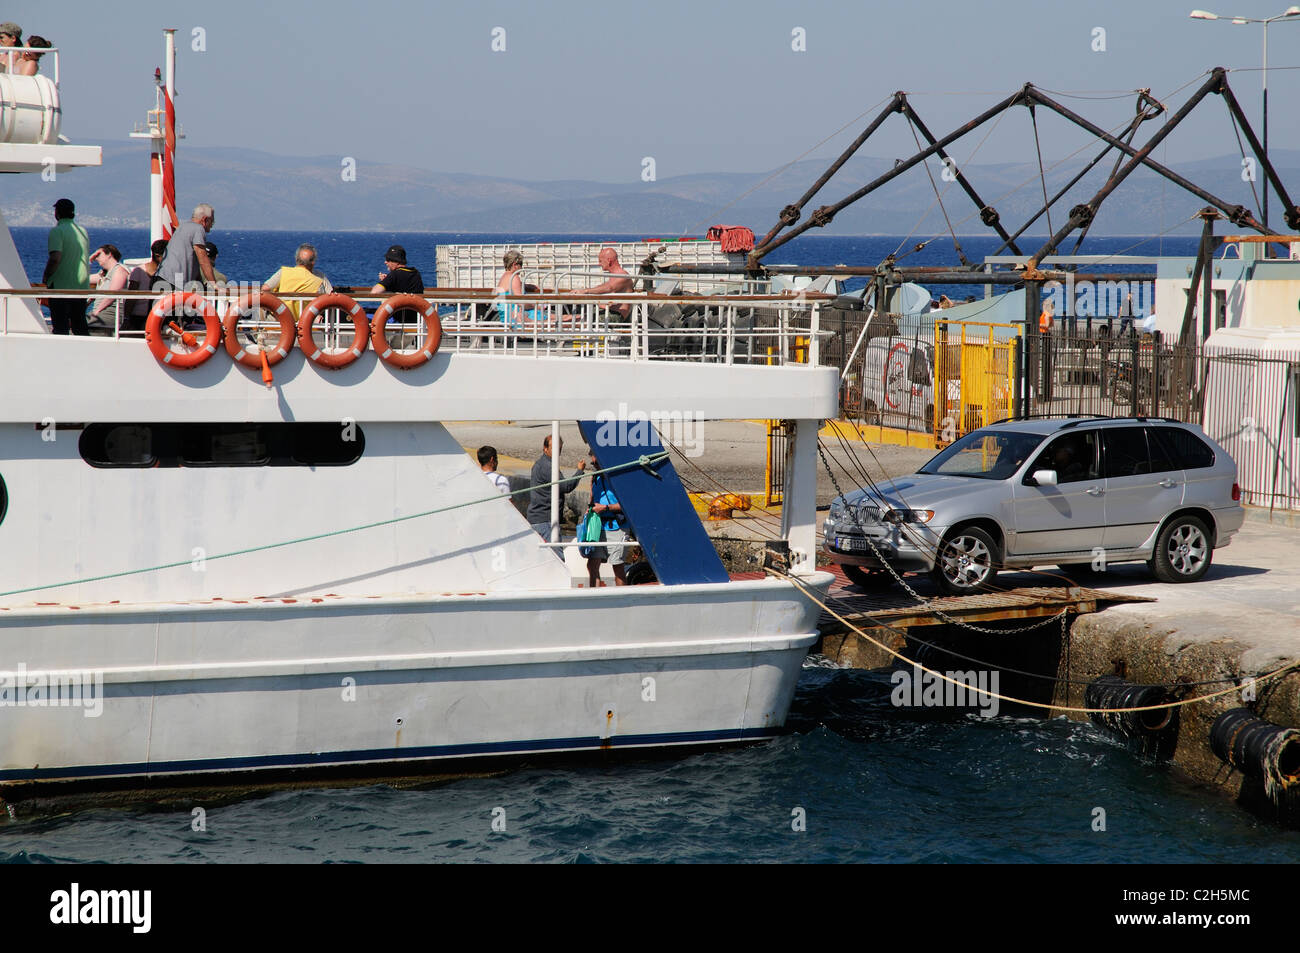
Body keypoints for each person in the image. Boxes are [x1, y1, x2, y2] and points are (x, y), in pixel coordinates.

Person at [526, 435, 588, 545]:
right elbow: (566, 486)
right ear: (545, 448)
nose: (557, 452)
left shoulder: (541, 463)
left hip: (539, 519)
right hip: (545, 521)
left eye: (559, 449)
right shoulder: (548, 466)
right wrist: (579, 471)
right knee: (557, 557)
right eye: (554, 449)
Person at [41, 198, 89, 336]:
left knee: (60, 326)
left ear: (57, 213)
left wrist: (46, 275)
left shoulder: (57, 231)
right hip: (81, 286)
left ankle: (61, 355)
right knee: (79, 325)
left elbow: (55, 258)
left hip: (60, 286)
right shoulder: (82, 232)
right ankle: (87, 353)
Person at [585, 451, 629, 587]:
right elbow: (592, 498)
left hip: (617, 526)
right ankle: (594, 599)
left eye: (597, 463)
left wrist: (605, 508)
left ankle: (623, 600)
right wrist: (590, 509)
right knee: (592, 565)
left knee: (617, 566)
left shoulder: (618, 477)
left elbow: (627, 504)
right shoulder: (595, 477)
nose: (595, 466)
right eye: (593, 463)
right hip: (598, 527)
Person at [156, 203, 218, 292]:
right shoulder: (198, 229)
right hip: (174, 281)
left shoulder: (183, 226)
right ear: (204, 219)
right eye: (212, 221)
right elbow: (203, 259)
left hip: (161, 276)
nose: (212, 224)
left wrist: (199, 283)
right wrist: (213, 284)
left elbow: (192, 261)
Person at [263, 243, 333, 317]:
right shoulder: (318, 281)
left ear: (296, 259)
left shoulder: (283, 272)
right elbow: (327, 299)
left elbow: (265, 288)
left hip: (279, 321)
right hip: (305, 323)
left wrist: (272, 306)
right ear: (313, 262)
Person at [369, 244, 424, 331]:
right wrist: (388, 281)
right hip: (414, 320)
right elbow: (404, 286)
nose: (385, 262)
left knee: (365, 314)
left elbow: (374, 292)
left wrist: (384, 282)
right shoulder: (415, 273)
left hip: (399, 320)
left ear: (396, 262)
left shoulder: (395, 275)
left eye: (388, 260)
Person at [571, 247, 633, 319]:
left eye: (600, 261)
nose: (599, 264)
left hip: (615, 315)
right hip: (609, 312)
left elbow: (609, 288)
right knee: (569, 318)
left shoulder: (622, 275)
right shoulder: (615, 277)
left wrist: (585, 291)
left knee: (572, 320)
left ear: (609, 261)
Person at [124, 239, 168, 331]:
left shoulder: (167, 274)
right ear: (157, 256)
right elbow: (131, 297)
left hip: (157, 316)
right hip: (137, 317)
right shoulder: (138, 272)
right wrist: (126, 319)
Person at [88, 245, 131, 328]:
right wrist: (89, 261)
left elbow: (113, 293)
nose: (96, 258)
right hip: (100, 312)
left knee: (80, 327)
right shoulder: (103, 275)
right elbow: (84, 278)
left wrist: (97, 311)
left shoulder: (119, 270)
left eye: (98, 255)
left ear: (109, 255)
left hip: (111, 313)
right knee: (74, 324)